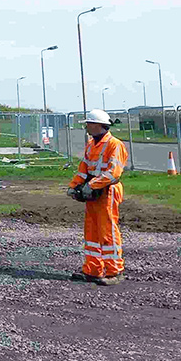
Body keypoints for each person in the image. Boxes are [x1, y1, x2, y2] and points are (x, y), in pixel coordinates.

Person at [67, 109, 128, 285]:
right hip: (93, 193)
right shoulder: (91, 144)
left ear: (98, 125)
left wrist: (90, 186)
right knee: (92, 231)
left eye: (88, 123)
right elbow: (83, 168)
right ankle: (93, 270)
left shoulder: (114, 145)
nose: (86, 126)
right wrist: (74, 186)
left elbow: (113, 173)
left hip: (107, 191)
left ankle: (114, 272)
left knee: (108, 231)